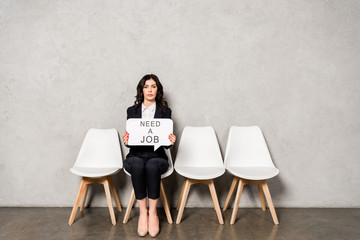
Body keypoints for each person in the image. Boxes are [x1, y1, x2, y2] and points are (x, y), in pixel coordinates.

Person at [122, 74, 176, 237]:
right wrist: (127, 140)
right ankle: (142, 213)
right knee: (138, 165)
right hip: (135, 155)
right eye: (146, 86)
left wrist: (170, 140)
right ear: (142, 90)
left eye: (153, 86)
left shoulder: (165, 111)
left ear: (157, 89)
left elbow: (165, 143)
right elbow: (131, 141)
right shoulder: (132, 111)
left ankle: (153, 214)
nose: (150, 89)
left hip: (157, 156)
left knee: (152, 166)